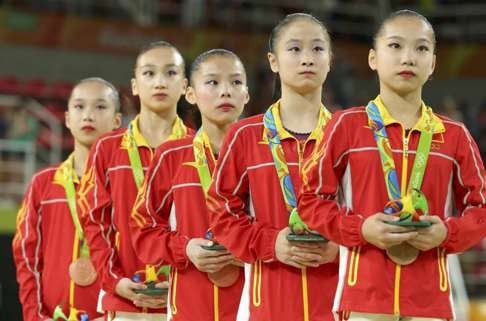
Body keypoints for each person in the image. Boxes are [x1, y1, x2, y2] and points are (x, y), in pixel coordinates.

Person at [298, 9, 486, 321]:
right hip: (364, 300)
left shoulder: (453, 135)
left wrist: (449, 233)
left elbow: (481, 208)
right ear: (373, 58)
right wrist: (360, 229)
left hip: (430, 303)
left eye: (421, 48)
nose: (408, 58)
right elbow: (310, 199)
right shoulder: (346, 126)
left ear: (433, 64)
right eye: (395, 46)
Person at [206, 13, 339, 321]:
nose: (307, 58)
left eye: (317, 49)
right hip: (268, 305)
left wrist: (341, 243)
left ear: (329, 60)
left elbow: (372, 212)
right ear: (273, 61)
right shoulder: (245, 136)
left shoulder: (350, 135)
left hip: (338, 304)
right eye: (294, 49)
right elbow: (221, 213)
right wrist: (270, 243)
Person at [130, 48, 249, 321]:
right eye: (212, 82)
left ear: (247, 94)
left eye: (236, 82)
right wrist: (185, 249)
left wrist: (250, 247)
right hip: (190, 307)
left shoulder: (264, 154)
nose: (225, 91)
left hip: (255, 304)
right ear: (191, 94)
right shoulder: (172, 156)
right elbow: (142, 228)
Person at [80, 41, 193, 321]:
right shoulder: (107, 149)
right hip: (124, 303)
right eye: (149, 73)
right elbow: (95, 223)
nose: (159, 82)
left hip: (186, 301)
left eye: (170, 73)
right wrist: (113, 280)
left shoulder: (199, 148)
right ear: (134, 84)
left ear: (184, 86)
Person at [13, 77, 122, 321]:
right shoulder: (43, 184)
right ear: (67, 119)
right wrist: (35, 317)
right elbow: (26, 258)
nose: (88, 115)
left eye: (100, 107)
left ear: (117, 121)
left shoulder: (127, 186)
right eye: (79, 106)